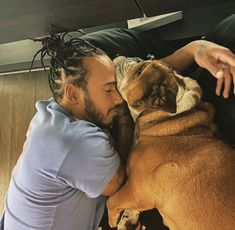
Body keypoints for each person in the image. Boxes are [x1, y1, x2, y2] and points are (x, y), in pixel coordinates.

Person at [1, 24, 235, 230]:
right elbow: (119, 183)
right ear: (73, 94)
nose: (118, 98)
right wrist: (126, 117)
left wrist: (195, 49)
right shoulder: (71, 141)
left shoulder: (59, 109)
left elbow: (142, 82)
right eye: (109, 89)